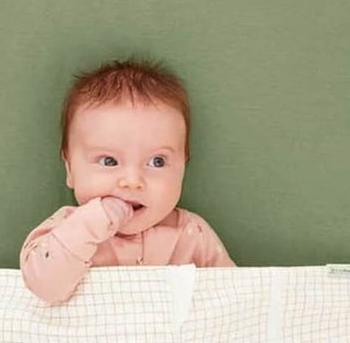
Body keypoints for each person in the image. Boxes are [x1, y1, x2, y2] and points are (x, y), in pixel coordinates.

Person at [20, 56, 235, 305]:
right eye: (109, 161)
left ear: (182, 168)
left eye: (157, 162)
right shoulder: (65, 229)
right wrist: (91, 223)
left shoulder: (193, 235)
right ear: (70, 169)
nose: (132, 181)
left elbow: (234, 299)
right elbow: (44, 287)